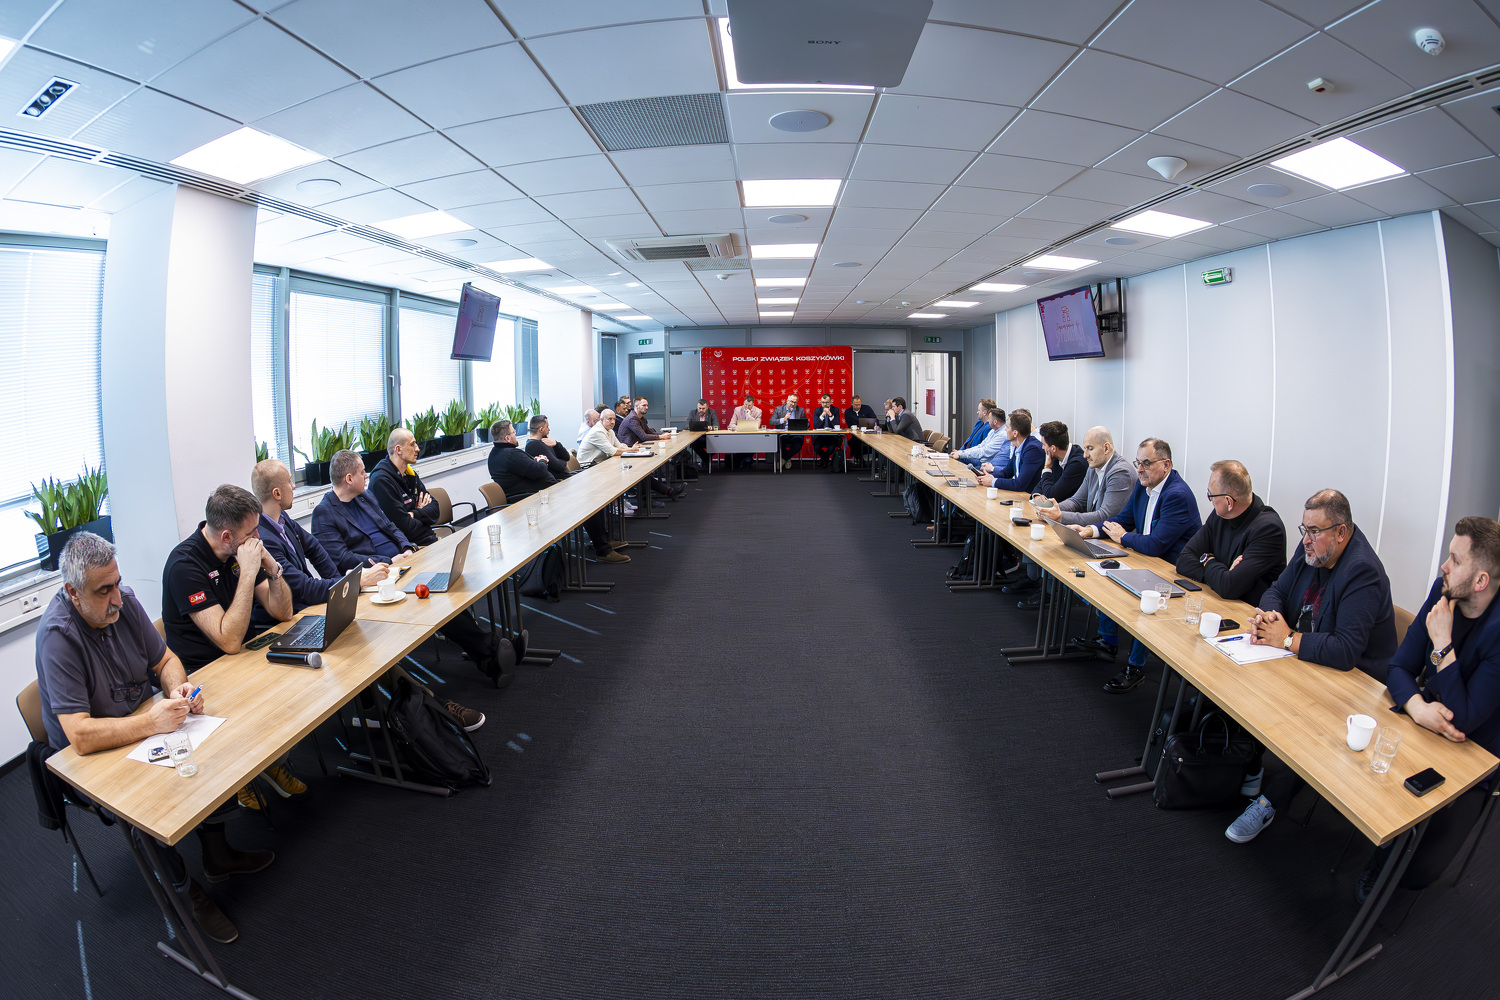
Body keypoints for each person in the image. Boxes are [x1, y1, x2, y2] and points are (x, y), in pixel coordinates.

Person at [37, 532, 273, 944]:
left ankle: (217, 855)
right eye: (103, 591)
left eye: (117, 583)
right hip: (90, 756)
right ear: (72, 592)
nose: (117, 598)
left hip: (138, 720)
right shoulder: (58, 637)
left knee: (208, 752)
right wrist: (151, 723)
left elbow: (165, 659)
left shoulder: (124, 604)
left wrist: (177, 689)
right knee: (146, 808)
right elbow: (79, 735)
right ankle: (185, 893)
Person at [250, 459, 486, 733]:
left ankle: (382, 708)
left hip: (314, 609)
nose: (294, 486)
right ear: (277, 493)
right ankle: (435, 709)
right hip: (294, 621)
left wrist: (344, 587)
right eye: (290, 482)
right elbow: (302, 586)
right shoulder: (265, 536)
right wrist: (352, 584)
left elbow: (316, 551)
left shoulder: (283, 521)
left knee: (376, 644)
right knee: (371, 651)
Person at [1225, 489, 1398, 843]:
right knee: (1240, 685)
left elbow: (1346, 650)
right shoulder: (1313, 551)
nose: (1305, 539)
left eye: (1315, 531)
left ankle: (1269, 801)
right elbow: (1276, 590)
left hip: (1355, 685)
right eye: (1304, 529)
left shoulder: (1362, 571)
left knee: (1309, 729)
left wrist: (1287, 638)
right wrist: (1271, 617)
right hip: (1307, 661)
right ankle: (1249, 763)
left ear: (1341, 532)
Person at [1353, 516, 1500, 901]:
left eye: (1455, 560)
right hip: (1426, 721)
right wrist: (1417, 707)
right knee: (1357, 791)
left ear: (1481, 581)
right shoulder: (1442, 591)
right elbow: (1398, 667)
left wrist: (1442, 646)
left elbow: (1464, 720)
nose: (1444, 567)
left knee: (1417, 874)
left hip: (1475, 755)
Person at [315, 449, 513, 684]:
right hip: (378, 579)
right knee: (434, 600)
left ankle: (490, 654)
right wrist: (390, 561)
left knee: (445, 588)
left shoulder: (365, 497)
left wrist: (407, 547)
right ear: (349, 478)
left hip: (404, 563)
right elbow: (343, 559)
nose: (366, 475)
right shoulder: (324, 513)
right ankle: (492, 651)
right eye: (362, 472)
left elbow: (390, 526)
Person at [1073, 438, 1202, 693]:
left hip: (1173, 571)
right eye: (1138, 463)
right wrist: (1091, 530)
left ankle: (1135, 667)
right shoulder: (1144, 486)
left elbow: (1156, 545)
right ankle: (1108, 641)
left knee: (1147, 601)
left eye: (1146, 463)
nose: (1140, 469)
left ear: (1166, 465)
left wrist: (1122, 538)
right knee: (1107, 575)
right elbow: (1123, 519)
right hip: (1148, 560)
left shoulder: (1177, 495)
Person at [162, 484, 293, 672]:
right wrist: (247, 573)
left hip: (246, 654)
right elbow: (229, 642)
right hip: (206, 670)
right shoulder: (184, 567)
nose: (257, 537)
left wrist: (273, 569)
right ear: (226, 537)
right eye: (250, 533)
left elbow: (284, 613)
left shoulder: (239, 549)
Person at [488, 421, 630, 564]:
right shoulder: (511, 454)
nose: (516, 434)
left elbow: (536, 467)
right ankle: (603, 550)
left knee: (589, 497)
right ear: (507, 438)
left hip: (542, 494)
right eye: (513, 432)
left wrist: (539, 461)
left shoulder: (497, 453)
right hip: (533, 501)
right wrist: (542, 461)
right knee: (587, 502)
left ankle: (602, 541)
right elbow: (539, 471)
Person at [1174, 460, 1287, 602]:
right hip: (1219, 600)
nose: (1210, 500)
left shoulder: (1268, 529)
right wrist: (1222, 573)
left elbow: (1229, 587)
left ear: (1228, 502)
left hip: (1247, 611)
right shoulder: (1219, 516)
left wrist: (1207, 560)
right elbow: (1183, 560)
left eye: (1211, 495)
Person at [1036, 426, 1134, 529]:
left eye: (1090, 449)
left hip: (1110, 537)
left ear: (1106, 448)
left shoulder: (1121, 472)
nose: (1085, 455)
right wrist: (1049, 509)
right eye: (1085, 448)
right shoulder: (1093, 467)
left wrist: (1061, 516)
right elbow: (1076, 501)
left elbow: (1105, 516)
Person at [368, 428, 441, 546]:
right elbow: (406, 528)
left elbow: (436, 510)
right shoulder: (381, 481)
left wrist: (415, 514)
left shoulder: (409, 473)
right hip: (410, 547)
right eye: (412, 444)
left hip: (429, 539)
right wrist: (424, 516)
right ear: (398, 450)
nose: (417, 448)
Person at [616, 398, 685, 498]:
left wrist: (663, 435)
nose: (647, 407)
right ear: (636, 406)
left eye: (647, 405)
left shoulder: (641, 418)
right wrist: (661, 437)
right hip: (629, 452)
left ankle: (666, 492)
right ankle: (656, 495)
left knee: (646, 472)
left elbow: (649, 432)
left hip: (637, 449)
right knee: (644, 473)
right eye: (644, 405)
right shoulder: (632, 419)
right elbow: (643, 436)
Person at [978, 409, 1044, 493]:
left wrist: (992, 481)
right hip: (1020, 494)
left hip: (1029, 496)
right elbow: (1007, 473)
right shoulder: (1020, 445)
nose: (1005, 430)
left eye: (1007, 427)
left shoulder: (1033, 449)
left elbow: (1020, 484)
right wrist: (988, 477)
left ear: (1015, 433)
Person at [1033, 421, 1087, 502]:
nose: (1042, 448)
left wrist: (1047, 468)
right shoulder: (1056, 456)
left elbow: (1051, 495)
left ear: (1053, 448)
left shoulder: (1077, 464)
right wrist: (1037, 495)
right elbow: (1042, 483)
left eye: (1044, 444)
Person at [953, 405, 1011, 473]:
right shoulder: (993, 431)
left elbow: (984, 451)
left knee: (961, 467)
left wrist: (961, 454)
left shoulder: (1002, 435)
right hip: (980, 461)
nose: (988, 420)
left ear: (995, 421)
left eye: (989, 419)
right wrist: (961, 452)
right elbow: (980, 446)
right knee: (957, 459)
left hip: (985, 464)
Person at [771, 392, 806, 471]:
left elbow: (807, 423)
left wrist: (802, 425)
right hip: (783, 434)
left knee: (798, 442)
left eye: (795, 402)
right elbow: (772, 422)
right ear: (787, 401)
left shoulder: (800, 410)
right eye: (791, 401)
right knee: (779, 442)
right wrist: (783, 419)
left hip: (795, 434)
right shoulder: (779, 409)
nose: (793, 404)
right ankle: (788, 458)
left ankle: (784, 459)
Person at [844, 394, 878, 467]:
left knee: (876, 445)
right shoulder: (848, 412)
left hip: (869, 436)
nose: (858, 406)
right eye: (856, 405)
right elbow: (849, 425)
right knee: (852, 443)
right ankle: (861, 461)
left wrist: (873, 426)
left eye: (859, 404)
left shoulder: (867, 408)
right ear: (852, 404)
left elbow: (875, 420)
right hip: (856, 436)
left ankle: (874, 462)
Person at [731, 394, 763, 470]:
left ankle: (746, 460)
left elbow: (757, 426)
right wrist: (741, 428)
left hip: (752, 437)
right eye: (745, 404)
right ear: (743, 403)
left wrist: (749, 416)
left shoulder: (758, 411)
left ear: (753, 404)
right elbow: (731, 425)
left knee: (753, 442)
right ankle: (747, 459)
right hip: (740, 436)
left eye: (749, 405)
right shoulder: (737, 410)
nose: (747, 407)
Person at [811, 393, 842, 469]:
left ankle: (823, 460)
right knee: (817, 447)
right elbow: (815, 426)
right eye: (823, 402)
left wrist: (830, 414)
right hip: (820, 436)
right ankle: (826, 459)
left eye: (827, 402)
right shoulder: (817, 410)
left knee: (831, 448)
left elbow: (837, 424)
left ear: (831, 402)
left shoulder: (835, 410)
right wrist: (822, 415)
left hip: (832, 436)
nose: (825, 404)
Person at [687, 398, 719, 469]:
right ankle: (707, 458)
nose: (701, 410)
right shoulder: (692, 413)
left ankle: (706, 459)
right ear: (697, 407)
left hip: (710, 438)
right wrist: (694, 427)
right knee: (694, 443)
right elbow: (686, 425)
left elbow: (716, 426)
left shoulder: (712, 412)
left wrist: (710, 427)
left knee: (717, 444)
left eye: (703, 408)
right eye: (699, 408)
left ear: (707, 407)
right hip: (697, 438)